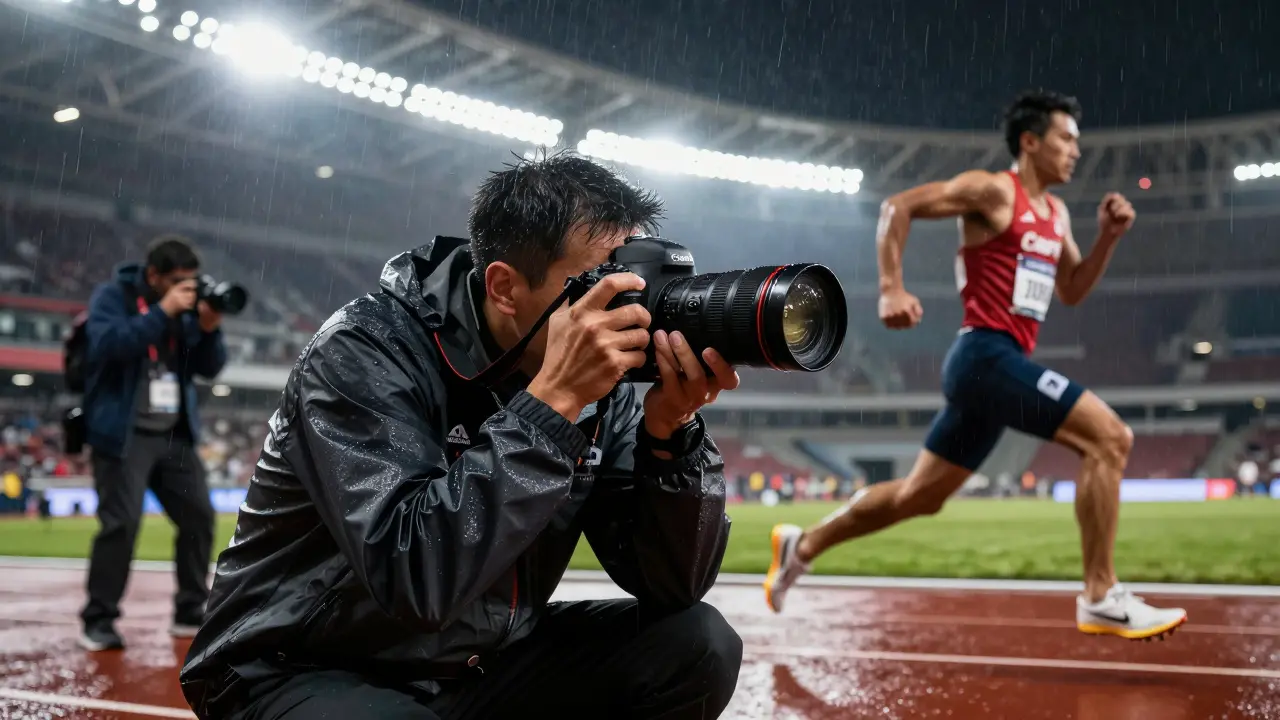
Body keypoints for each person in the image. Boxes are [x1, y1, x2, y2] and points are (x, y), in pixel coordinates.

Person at [179, 152, 744, 720]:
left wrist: (671, 436)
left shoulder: (604, 385)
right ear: (504, 288)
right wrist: (551, 406)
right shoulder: (363, 351)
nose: (624, 315)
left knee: (697, 647)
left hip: (474, 663)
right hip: (296, 662)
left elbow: (674, 586)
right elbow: (416, 578)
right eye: (602, 288)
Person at [763, 90, 1188, 641]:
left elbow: (1074, 289)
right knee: (1110, 439)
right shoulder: (992, 190)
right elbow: (900, 206)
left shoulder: (1057, 214)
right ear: (1030, 142)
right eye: (1066, 139)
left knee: (920, 496)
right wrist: (891, 287)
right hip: (984, 355)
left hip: (997, 369)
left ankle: (804, 544)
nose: (1076, 152)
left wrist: (1108, 239)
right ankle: (1101, 595)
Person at [79, 235, 226, 651]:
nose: (187, 289)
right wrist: (163, 312)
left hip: (174, 435)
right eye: (178, 281)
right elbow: (108, 345)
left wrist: (209, 329)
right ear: (153, 276)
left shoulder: (185, 311)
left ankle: (189, 611)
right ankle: (98, 620)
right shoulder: (114, 297)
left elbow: (210, 368)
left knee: (199, 517)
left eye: (192, 282)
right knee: (121, 525)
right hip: (123, 435)